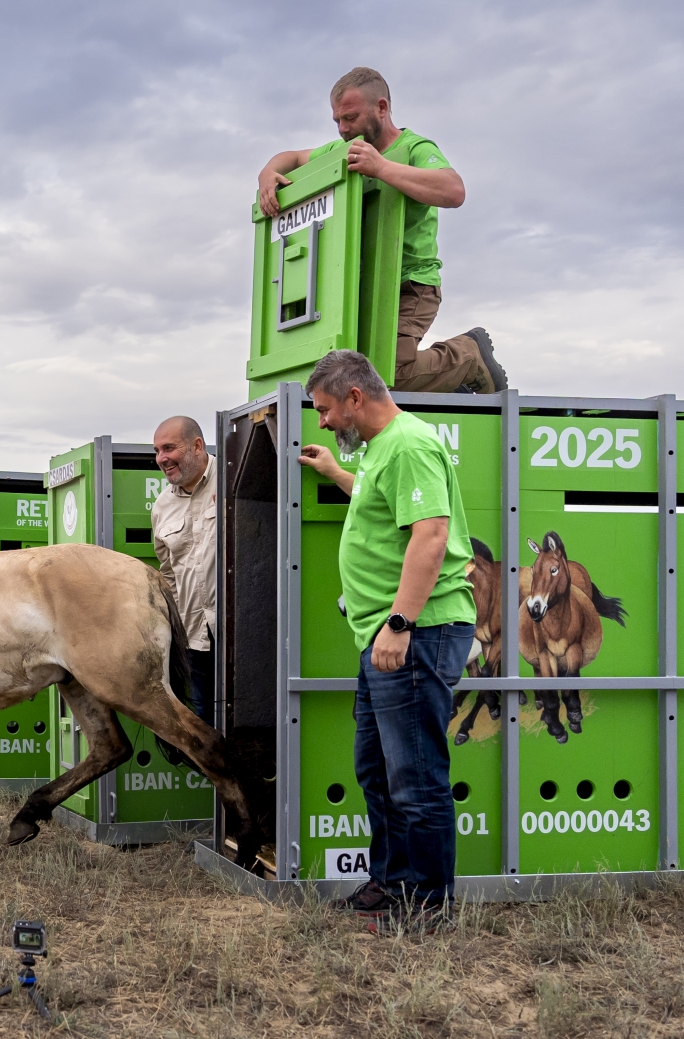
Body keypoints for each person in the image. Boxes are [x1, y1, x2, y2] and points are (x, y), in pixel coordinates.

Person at [297, 349, 476, 933]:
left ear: (355, 397)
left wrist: (400, 623)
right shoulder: (381, 449)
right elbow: (385, 507)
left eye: (325, 409)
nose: (322, 420)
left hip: (415, 634)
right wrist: (337, 474)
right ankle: (392, 882)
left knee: (415, 777)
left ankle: (427, 906)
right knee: (377, 770)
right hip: (386, 636)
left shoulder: (408, 445)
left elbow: (431, 534)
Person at [257, 67, 507, 395]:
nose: (344, 129)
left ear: (382, 108)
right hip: (365, 289)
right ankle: (448, 385)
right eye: (337, 121)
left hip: (411, 284)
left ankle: (468, 356)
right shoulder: (345, 150)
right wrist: (267, 173)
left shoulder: (414, 147)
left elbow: (454, 190)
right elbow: (292, 157)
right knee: (354, 378)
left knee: (388, 376)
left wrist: (382, 168)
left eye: (351, 118)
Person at [151, 415, 216, 727]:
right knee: (201, 725)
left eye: (169, 448)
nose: (161, 458)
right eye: (157, 451)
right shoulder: (161, 507)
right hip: (193, 639)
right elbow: (168, 576)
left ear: (197, 446)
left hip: (240, 636)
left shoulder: (231, 481)